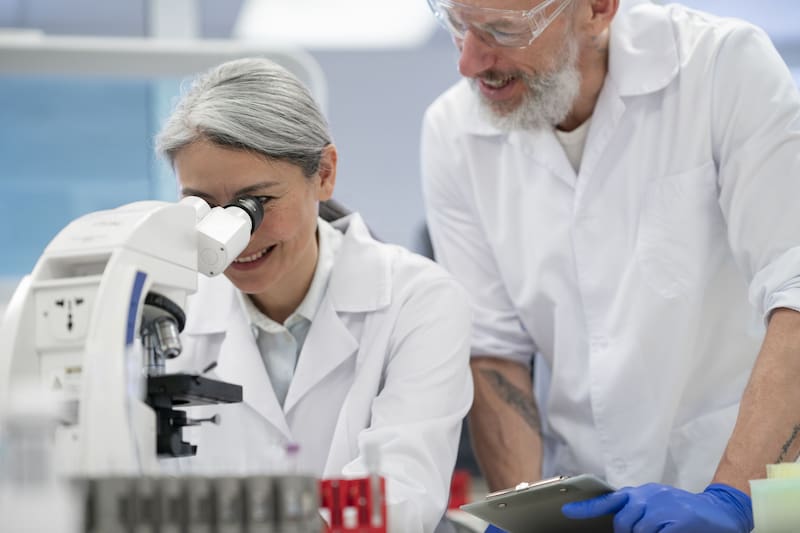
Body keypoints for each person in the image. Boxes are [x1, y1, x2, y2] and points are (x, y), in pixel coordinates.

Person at [420, 0, 800, 531]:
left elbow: (794, 291)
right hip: (586, 504)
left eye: (502, 30)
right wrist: (523, 514)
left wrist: (731, 498)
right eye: (458, 27)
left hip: (749, 493)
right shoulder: (452, 132)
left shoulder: (721, 67)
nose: (469, 62)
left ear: (597, 10)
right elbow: (493, 352)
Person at [155, 57, 473, 532]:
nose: (229, 237)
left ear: (324, 173)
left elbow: (397, 495)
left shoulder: (418, 301)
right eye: (202, 206)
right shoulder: (165, 316)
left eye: (254, 204)